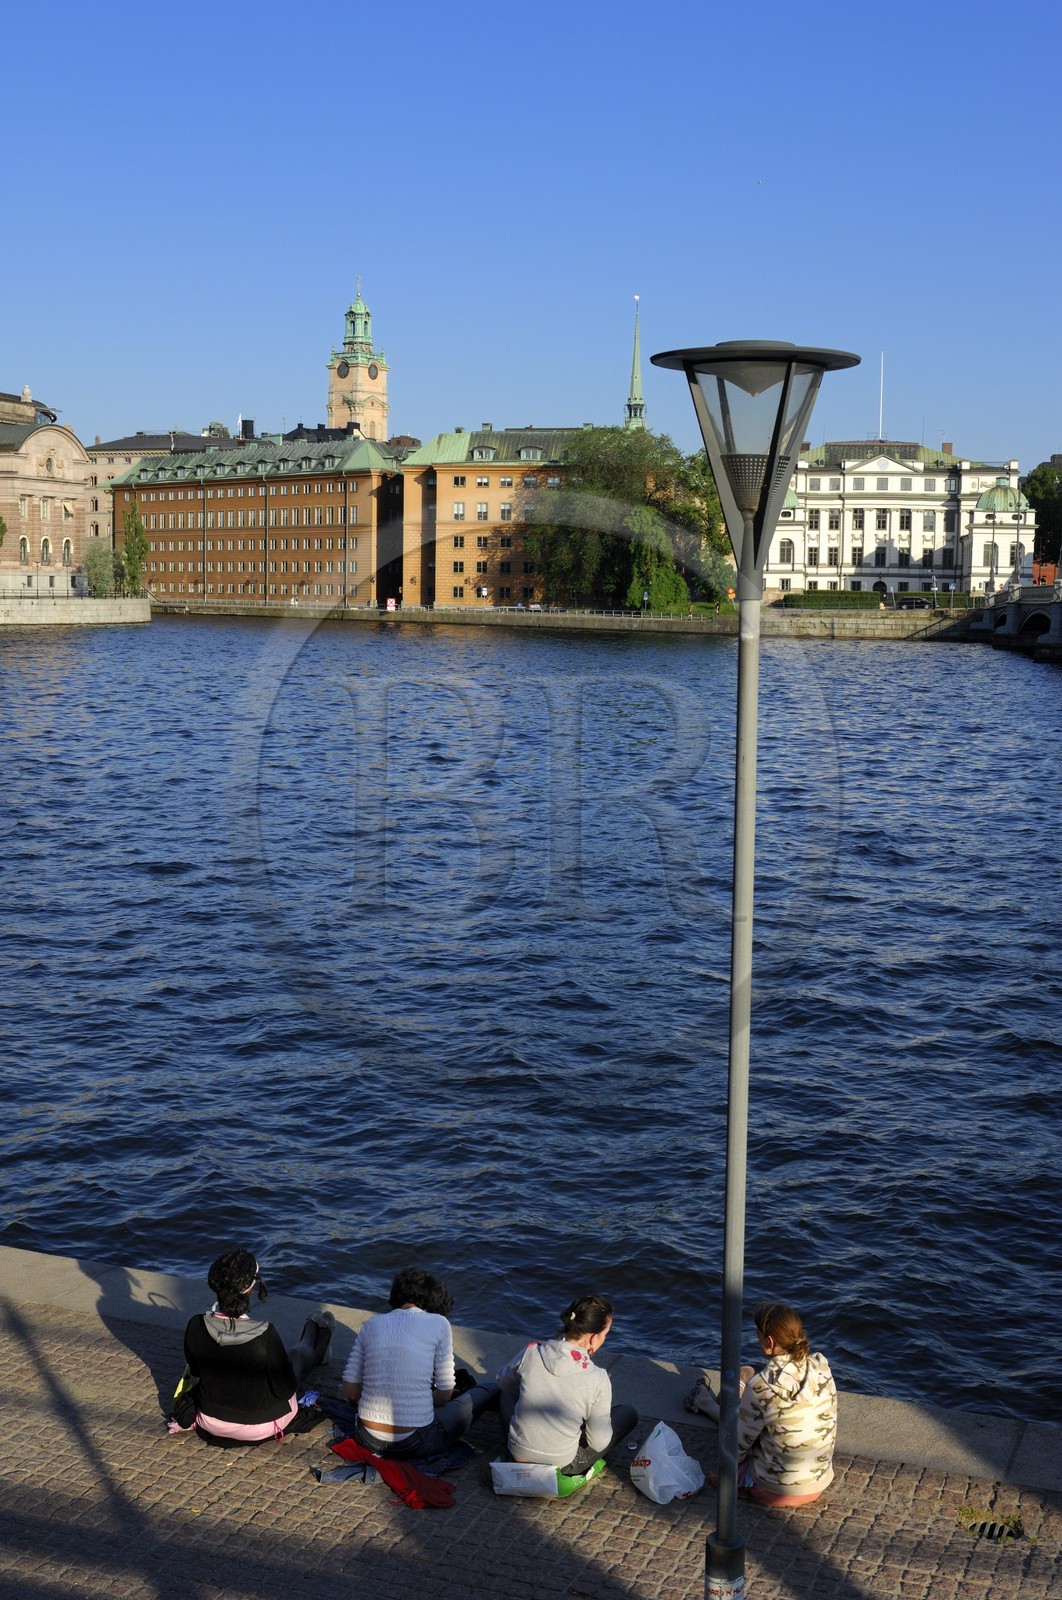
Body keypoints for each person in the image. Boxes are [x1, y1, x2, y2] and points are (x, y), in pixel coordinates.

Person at [684, 1301, 837, 1506]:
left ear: (769, 1341)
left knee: (738, 1427)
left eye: (758, 1336)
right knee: (763, 1417)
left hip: (773, 1490)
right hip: (817, 1484)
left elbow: (735, 1446)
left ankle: (713, 1398)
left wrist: (725, 1476)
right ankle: (732, 1393)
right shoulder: (821, 1365)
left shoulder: (763, 1385)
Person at [176, 1248, 334, 1445]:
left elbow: (196, 1371)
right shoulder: (264, 1333)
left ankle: (313, 1333)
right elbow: (285, 1389)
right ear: (251, 1288)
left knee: (290, 1358)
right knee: (295, 1359)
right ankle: (317, 1334)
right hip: (261, 1425)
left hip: (210, 1420)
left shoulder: (195, 1325)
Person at [341, 1267, 498, 1460]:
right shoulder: (439, 1324)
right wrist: (421, 1400)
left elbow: (350, 1390)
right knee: (487, 1390)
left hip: (366, 1437)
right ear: (436, 1299)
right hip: (415, 1442)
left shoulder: (373, 1323)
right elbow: (445, 1394)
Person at [496, 1293, 637, 1474]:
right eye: (605, 1334)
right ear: (594, 1338)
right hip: (563, 1463)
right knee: (627, 1413)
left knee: (507, 1390)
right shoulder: (598, 1377)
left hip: (518, 1452)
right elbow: (599, 1442)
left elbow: (502, 1381)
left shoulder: (531, 1353)